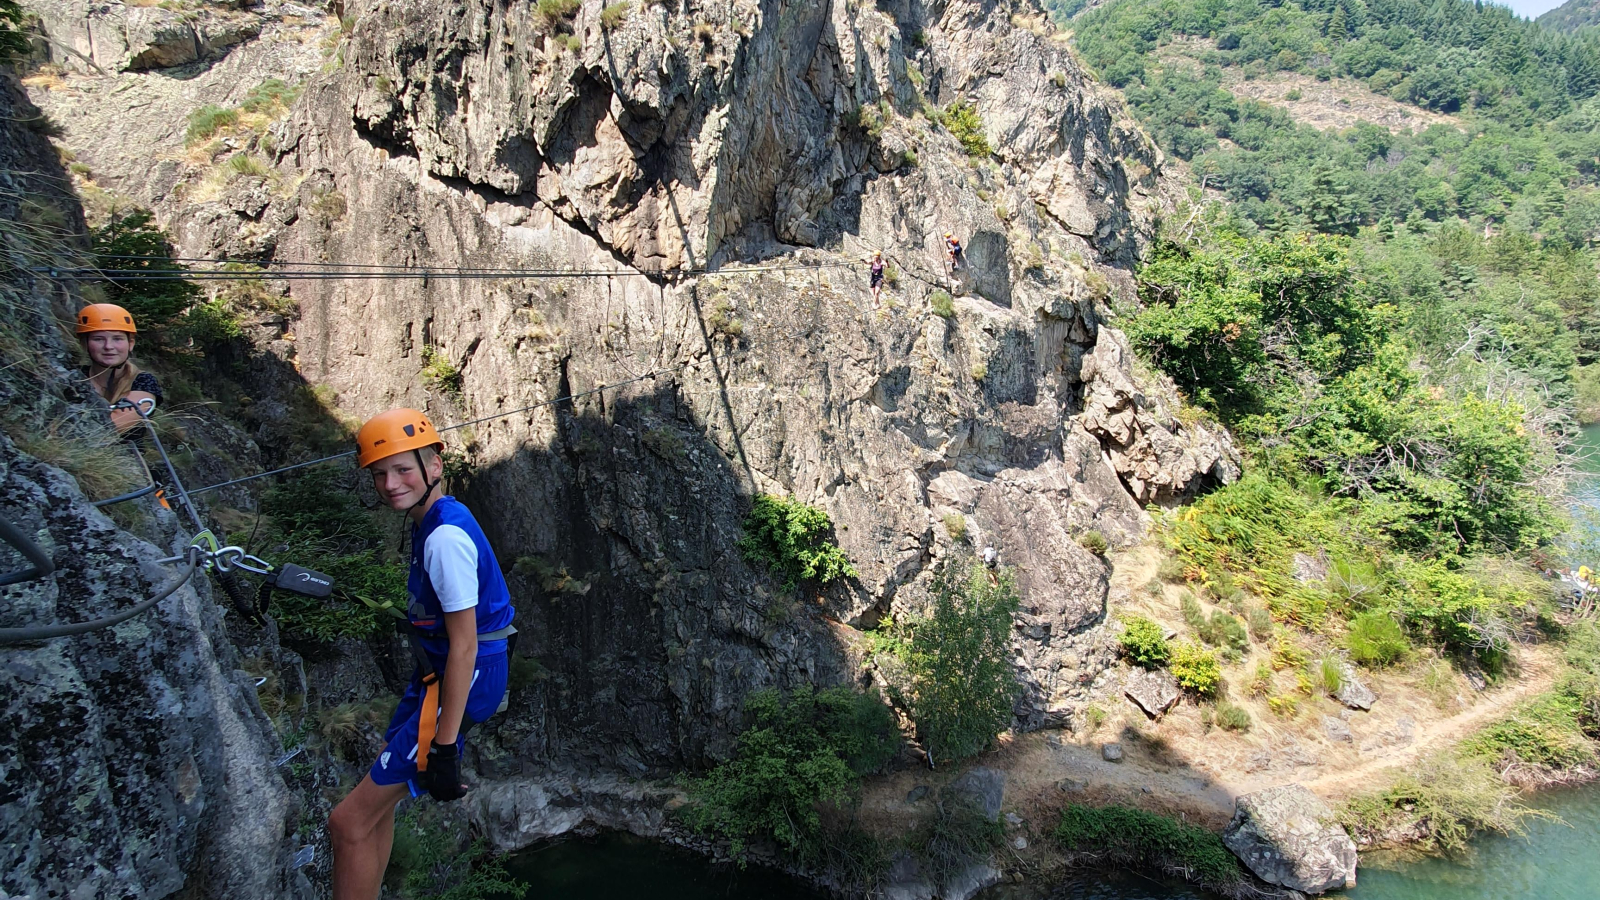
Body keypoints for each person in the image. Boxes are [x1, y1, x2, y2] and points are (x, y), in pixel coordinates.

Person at [327, 408, 516, 900]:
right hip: (442, 673)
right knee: (372, 814)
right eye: (380, 474)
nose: (390, 483)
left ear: (434, 465)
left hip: (462, 673)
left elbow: (465, 643)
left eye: (402, 469)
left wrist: (446, 749)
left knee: (346, 822)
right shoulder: (434, 518)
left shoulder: (444, 538)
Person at [76, 303, 161, 433]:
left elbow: (109, 429)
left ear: (130, 344)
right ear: (85, 344)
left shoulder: (143, 382)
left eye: (117, 339)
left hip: (125, 453)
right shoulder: (74, 377)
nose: (108, 346)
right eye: (98, 339)